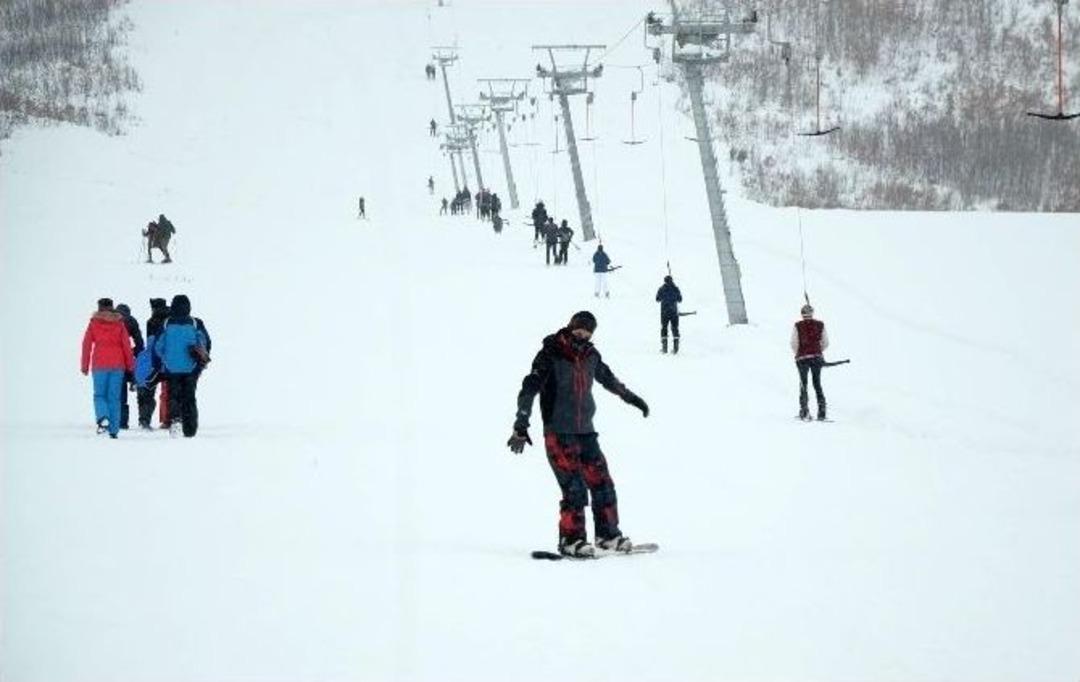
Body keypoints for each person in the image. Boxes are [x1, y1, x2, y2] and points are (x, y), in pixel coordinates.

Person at [507, 311, 650, 558]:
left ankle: (608, 536)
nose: (582, 335)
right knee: (574, 489)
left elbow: (608, 379)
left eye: (587, 332)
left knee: (603, 483)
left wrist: (632, 398)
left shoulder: (591, 356)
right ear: (570, 327)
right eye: (579, 330)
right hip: (559, 432)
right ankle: (571, 541)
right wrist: (521, 423)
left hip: (585, 431)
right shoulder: (550, 353)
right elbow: (530, 387)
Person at [154, 294, 210, 438]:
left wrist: (163, 360)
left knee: (173, 395)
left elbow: (158, 346)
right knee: (189, 396)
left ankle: (175, 421)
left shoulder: (166, 323)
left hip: (171, 367)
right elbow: (205, 342)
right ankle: (190, 428)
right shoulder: (195, 323)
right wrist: (200, 361)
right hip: (191, 367)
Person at [80, 298, 135, 439]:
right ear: (112, 308)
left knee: (99, 395)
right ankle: (114, 430)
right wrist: (131, 366)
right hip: (117, 365)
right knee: (114, 398)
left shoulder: (93, 324)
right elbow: (126, 347)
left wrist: (84, 365)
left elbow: (86, 345)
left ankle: (103, 417)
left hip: (99, 365)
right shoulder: (119, 324)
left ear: (99, 308)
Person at [791, 303, 829, 420]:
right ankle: (822, 411)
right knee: (817, 384)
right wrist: (817, 351)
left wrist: (799, 353)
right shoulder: (820, 325)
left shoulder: (798, 326)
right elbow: (825, 342)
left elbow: (794, 343)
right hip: (817, 358)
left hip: (802, 358)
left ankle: (804, 410)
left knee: (803, 384)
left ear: (802, 314)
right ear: (812, 313)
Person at [138, 297, 171, 429]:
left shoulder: (150, 321)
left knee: (149, 389)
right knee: (168, 390)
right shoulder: (170, 320)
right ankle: (167, 419)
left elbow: (150, 343)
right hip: (170, 359)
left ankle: (146, 420)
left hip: (155, 360)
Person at [114, 303, 145, 428]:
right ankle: (133, 380)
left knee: (120, 392)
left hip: (115, 360)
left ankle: (121, 422)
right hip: (128, 360)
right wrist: (133, 352)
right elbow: (140, 343)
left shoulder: (112, 322)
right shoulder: (132, 321)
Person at [655, 275, 683, 354]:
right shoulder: (675, 288)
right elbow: (680, 299)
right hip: (674, 312)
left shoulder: (662, 289)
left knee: (664, 328)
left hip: (664, 312)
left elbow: (657, 299)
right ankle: (676, 348)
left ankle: (664, 348)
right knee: (675, 328)